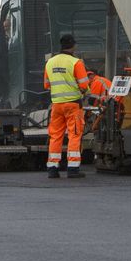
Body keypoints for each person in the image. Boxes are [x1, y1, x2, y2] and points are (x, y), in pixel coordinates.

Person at [43, 34, 90, 178]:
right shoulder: (76, 62)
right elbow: (84, 85)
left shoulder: (50, 62)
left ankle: (52, 168)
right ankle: (73, 168)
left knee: (55, 136)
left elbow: (46, 85)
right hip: (73, 105)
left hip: (56, 105)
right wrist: (87, 93)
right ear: (73, 46)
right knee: (74, 135)